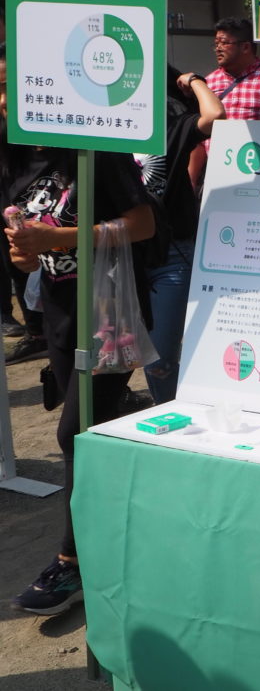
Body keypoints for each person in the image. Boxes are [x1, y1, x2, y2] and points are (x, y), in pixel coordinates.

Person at [7, 143, 155, 615]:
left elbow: (144, 224)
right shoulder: (13, 156)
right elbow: (27, 252)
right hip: (59, 314)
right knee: (92, 434)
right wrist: (26, 256)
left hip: (112, 313)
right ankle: (121, 537)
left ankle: (72, 562)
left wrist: (59, 238)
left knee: (73, 434)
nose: (8, 106)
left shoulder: (96, 149)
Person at [133, 67, 226, 402]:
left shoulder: (174, 128)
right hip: (122, 256)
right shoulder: (108, 137)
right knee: (118, 350)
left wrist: (194, 80)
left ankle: (167, 411)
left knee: (160, 357)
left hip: (171, 256)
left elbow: (216, 116)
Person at [0, 45, 47, 363]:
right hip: (10, 203)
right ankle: (36, 333)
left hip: (44, 208)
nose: (3, 99)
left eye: (8, 85)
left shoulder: (47, 130)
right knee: (16, 262)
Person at [204, 17, 260, 123]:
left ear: (245, 47)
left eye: (224, 43)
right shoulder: (207, 82)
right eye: (216, 44)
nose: (218, 48)